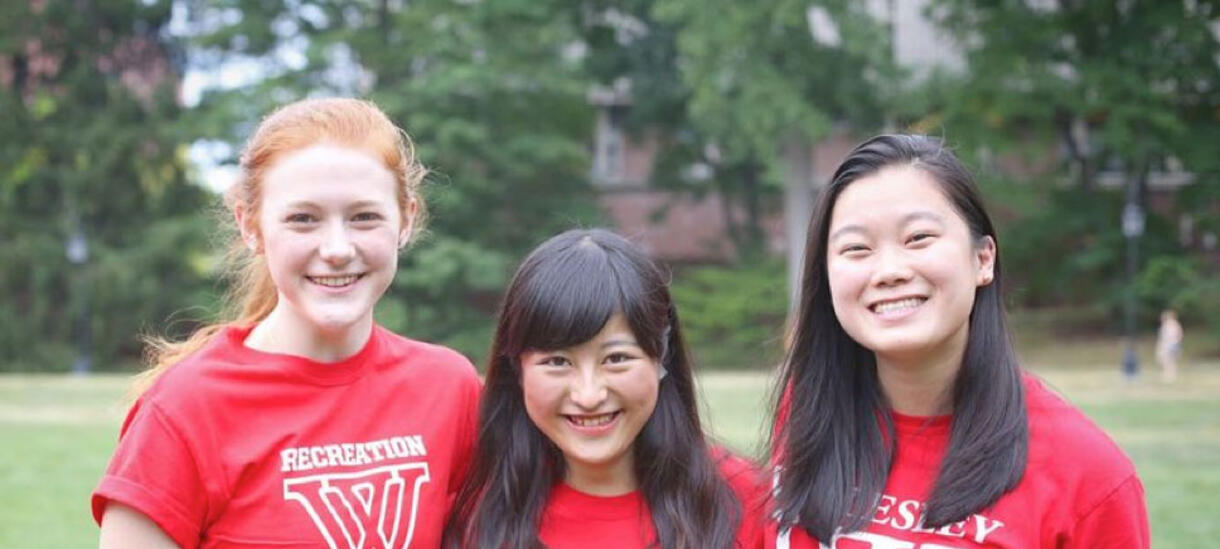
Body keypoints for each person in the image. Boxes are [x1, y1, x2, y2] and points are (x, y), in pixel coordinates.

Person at [92, 98, 481, 548]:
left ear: (406, 220)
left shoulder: (450, 388)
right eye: (303, 219)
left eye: (364, 217)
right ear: (251, 225)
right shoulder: (183, 407)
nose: (337, 248)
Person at [768, 135, 1149, 548]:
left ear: (983, 258)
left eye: (918, 238)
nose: (889, 270)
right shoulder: (808, 413)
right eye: (857, 248)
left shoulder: (1087, 475)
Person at [444, 229, 767, 549]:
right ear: (517, 369)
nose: (589, 395)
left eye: (616, 358)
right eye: (557, 362)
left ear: (660, 358)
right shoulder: (472, 512)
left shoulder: (747, 499)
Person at [1156, 308, 1183, 383]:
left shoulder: (1169, 325)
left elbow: (1166, 337)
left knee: (1167, 360)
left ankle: (1169, 376)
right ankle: (1171, 375)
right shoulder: (1175, 325)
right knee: (1171, 361)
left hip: (1169, 345)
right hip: (1173, 344)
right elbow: (1180, 335)